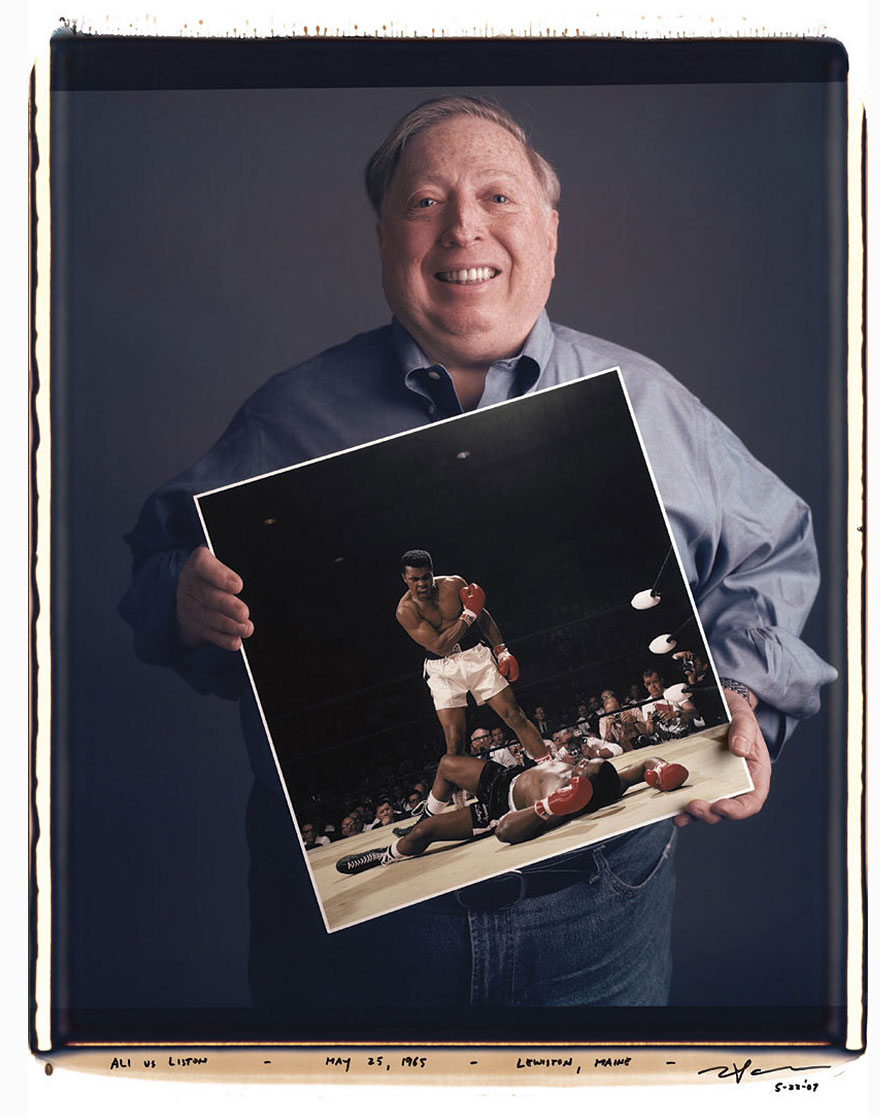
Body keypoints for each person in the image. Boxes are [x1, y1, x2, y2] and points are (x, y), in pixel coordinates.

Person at [119, 94, 836, 1008]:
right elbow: (158, 573)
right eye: (425, 203)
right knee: (459, 750)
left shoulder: (651, 400)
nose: (463, 227)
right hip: (357, 949)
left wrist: (740, 693)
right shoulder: (287, 417)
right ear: (385, 239)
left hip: (600, 913)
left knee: (521, 728)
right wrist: (184, 598)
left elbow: (771, 552)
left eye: (498, 197)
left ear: (550, 231)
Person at [337, 753, 689, 874]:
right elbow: (644, 764)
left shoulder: (573, 798)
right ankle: (422, 813)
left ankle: (385, 855)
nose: (579, 761)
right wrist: (661, 770)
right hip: (504, 777)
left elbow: (505, 831)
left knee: (424, 833)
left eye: (584, 766)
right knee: (446, 764)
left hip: (497, 809)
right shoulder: (608, 778)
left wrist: (551, 806)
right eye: (584, 761)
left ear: (590, 783)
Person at [396, 550, 550, 765]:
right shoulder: (406, 610)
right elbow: (440, 646)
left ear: (432, 572)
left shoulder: (453, 585)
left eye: (426, 577)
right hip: (441, 668)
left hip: (475, 655)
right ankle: (471, 786)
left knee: (513, 714)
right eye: (415, 579)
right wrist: (468, 615)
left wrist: (501, 650)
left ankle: (550, 767)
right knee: (455, 741)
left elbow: (482, 616)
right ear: (405, 578)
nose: (422, 584)